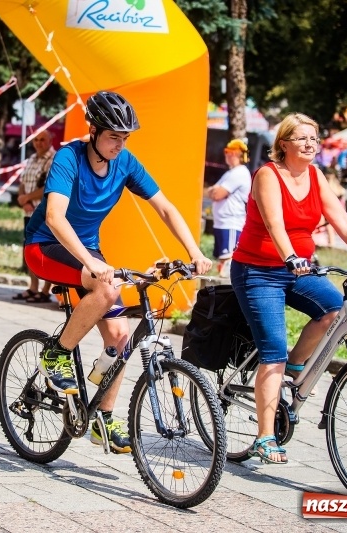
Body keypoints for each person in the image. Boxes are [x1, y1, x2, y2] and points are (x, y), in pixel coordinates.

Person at [23, 91, 213, 453]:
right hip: (45, 245)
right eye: (113, 136)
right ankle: (56, 353)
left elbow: (166, 208)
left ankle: (103, 419)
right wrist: (91, 263)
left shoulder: (124, 162)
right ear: (93, 130)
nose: (119, 144)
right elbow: (54, 217)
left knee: (121, 337)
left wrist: (194, 251)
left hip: (86, 253)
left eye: (124, 138)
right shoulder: (68, 158)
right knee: (107, 288)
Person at [229, 112, 347, 465]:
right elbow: (274, 223)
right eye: (301, 138)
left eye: (314, 138)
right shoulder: (268, 175)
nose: (310, 144)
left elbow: (341, 219)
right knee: (273, 351)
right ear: (283, 144)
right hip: (258, 271)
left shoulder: (315, 175)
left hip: (298, 269)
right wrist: (289, 256)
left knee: (335, 310)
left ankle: (295, 369)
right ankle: (265, 436)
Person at [13, 129, 55, 303]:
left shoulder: (53, 159)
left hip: (45, 213)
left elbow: (48, 187)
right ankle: (33, 287)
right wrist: (23, 200)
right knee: (30, 250)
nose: (39, 142)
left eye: (43, 139)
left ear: (50, 140)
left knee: (47, 252)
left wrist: (27, 198)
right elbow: (23, 183)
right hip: (29, 211)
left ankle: (45, 290)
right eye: (36, 139)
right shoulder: (31, 159)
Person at [205, 139, 251, 277]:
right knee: (223, 260)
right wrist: (215, 190)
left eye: (232, 153)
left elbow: (217, 194)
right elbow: (210, 192)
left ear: (239, 155)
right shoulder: (229, 173)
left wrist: (216, 190)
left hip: (231, 223)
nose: (228, 155)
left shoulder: (240, 172)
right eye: (227, 152)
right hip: (222, 222)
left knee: (229, 260)